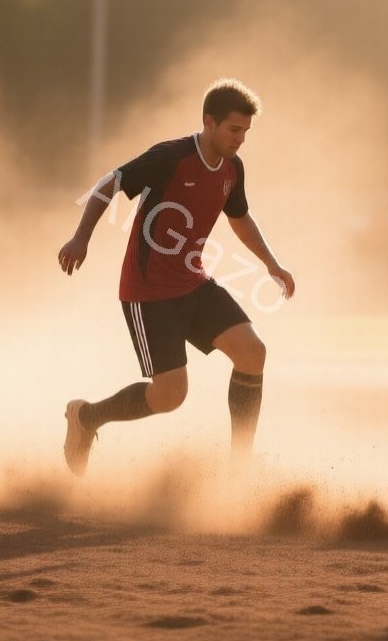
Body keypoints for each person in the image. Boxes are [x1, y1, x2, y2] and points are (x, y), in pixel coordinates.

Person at [55, 79, 295, 475]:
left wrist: (271, 263)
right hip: (148, 293)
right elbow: (107, 185)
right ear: (209, 122)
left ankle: (241, 466)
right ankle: (87, 417)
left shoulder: (232, 168)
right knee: (170, 395)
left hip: (194, 283)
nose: (240, 139)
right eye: (234, 129)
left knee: (253, 353)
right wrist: (81, 238)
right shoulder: (170, 157)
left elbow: (239, 217)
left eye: (245, 132)